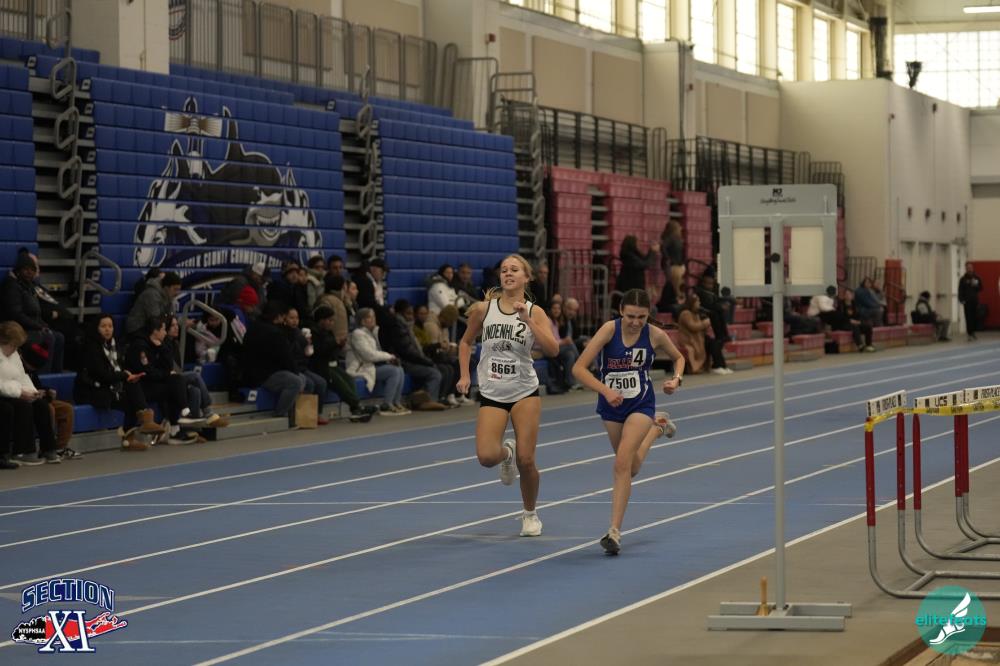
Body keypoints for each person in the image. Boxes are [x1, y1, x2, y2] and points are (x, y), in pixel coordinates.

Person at [572, 289, 683, 554]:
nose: (635, 322)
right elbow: (578, 368)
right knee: (630, 467)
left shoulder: (655, 334)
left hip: (640, 403)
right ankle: (657, 428)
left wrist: (676, 379)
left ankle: (614, 532)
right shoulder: (609, 330)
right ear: (621, 311)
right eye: (631, 316)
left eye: (641, 317)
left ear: (648, 315)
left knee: (621, 462)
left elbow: (679, 357)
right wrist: (605, 391)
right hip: (611, 405)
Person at [457, 254, 559, 537]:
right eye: (504, 270)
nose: (508, 274)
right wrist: (465, 375)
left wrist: (528, 321)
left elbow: (553, 349)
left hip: (524, 391)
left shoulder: (535, 311)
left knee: (527, 460)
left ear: (526, 277)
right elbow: (465, 342)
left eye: (515, 270)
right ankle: (507, 453)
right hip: (493, 391)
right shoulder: (484, 309)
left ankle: (530, 514)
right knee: (487, 456)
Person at [74, 314, 165, 450]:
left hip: (110, 387)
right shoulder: (91, 347)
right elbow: (101, 375)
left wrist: (128, 375)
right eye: (103, 326)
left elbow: (119, 369)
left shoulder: (114, 345)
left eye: (110, 326)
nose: (107, 329)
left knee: (132, 390)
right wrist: (124, 375)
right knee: (130, 389)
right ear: (96, 328)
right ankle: (145, 420)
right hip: (93, 389)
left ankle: (131, 436)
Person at [126, 317, 198, 445]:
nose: (165, 332)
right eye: (164, 329)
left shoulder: (159, 343)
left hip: (154, 383)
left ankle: (181, 417)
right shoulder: (140, 346)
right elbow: (148, 372)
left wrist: (161, 347)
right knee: (174, 384)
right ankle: (179, 421)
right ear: (155, 331)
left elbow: (168, 366)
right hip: (141, 387)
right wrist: (165, 374)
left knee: (176, 380)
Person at [242, 301, 307, 423]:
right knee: (296, 382)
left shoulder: (253, 327)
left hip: (252, 371)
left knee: (300, 378)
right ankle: (280, 414)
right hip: (264, 374)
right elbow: (286, 358)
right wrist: (295, 372)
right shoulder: (275, 333)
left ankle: (292, 415)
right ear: (278, 316)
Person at [1, 250, 64, 372]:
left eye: (32, 270)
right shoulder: (11, 286)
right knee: (49, 338)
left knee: (59, 337)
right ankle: (43, 376)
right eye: (26, 269)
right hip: (18, 329)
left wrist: (43, 325)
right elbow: (16, 314)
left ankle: (56, 375)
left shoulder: (31, 286)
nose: (29, 272)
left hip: (33, 327)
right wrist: (38, 326)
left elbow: (37, 312)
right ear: (18, 270)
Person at [19, 342, 78, 460]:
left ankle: (60, 447)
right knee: (48, 408)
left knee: (67, 409)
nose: (33, 369)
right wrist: (38, 393)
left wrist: (47, 391)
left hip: (37, 397)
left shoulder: (32, 369)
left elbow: (36, 386)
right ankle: (47, 447)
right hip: (25, 399)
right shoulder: (18, 367)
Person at [346, 308, 410, 415]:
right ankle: (387, 405)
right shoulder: (358, 334)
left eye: (373, 316)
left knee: (399, 368)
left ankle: (396, 402)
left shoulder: (373, 332)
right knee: (394, 371)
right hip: (360, 368)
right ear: (362, 321)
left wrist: (390, 359)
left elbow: (378, 352)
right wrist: (389, 357)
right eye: (369, 317)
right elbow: (369, 355)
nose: (373, 319)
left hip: (370, 366)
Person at [676, 292, 732, 375]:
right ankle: (717, 366)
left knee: (715, 343)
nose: (699, 304)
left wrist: (705, 326)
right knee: (713, 344)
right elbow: (693, 327)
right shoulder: (685, 314)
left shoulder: (696, 314)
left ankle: (722, 365)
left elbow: (700, 328)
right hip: (689, 341)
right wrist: (705, 323)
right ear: (692, 303)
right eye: (697, 302)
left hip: (698, 339)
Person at [125, 271, 182, 338]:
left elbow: (172, 317)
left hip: (152, 329)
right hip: (137, 330)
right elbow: (154, 320)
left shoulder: (169, 296)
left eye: (179, 289)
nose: (177, 293)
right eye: (175, 289)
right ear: (166, 288)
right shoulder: (151, 294)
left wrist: (182, 322)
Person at [661, 220, 685, 304]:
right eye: (679, 227)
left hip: (678, 264)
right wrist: (668, 258)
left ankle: (677, 299)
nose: (681, 228)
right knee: (675, 285)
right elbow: (663, 247)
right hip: (673, 265)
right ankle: (676, 300)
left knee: (678, 284)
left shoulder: (678, 238)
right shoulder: (670, 238)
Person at [958, 263, 983, 341]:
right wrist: (961, 299)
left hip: (975, 300)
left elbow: (981, 288)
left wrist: (975, 284)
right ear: (966, 269)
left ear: (972, 268)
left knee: (975, 317)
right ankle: (969, 333)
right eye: (968, 268)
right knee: (968, 317)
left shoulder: (977, 278)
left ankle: (973, 332)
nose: (969, 269)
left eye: (970, 267)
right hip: (967, 301)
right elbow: (960, 290)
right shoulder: (963, 279)